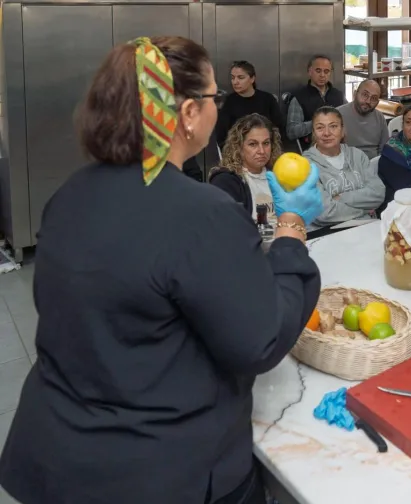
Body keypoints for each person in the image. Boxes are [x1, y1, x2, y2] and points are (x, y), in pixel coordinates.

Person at [0, 36, 323, 504]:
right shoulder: (201, 213)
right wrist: (292, 230)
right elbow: (261, 340)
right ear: (189, 114)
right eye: (214, 97)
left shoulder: (68, 196)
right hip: (161, 474)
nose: (218, 107)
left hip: (59, 457)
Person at [304, 106, 385, 230]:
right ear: (313, 133)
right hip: (327, 234)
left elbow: (378, 193)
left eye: (333, 126)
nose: (326, 133)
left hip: (366, 227)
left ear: (342, 131)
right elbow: (323, 213)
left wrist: (341, 197)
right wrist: (364, 210)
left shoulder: (358, 156)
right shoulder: (305, 165)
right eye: (320, 128)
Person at [210, 113, 283, 226]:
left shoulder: (278, 174)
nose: (262, 151)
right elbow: (229, 228)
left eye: (266, 143)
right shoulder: (226, 181)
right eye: (253, 144)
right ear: (238, 146)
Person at [215, 60, 285, 148]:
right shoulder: (229, 102)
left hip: (266, 150)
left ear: (252, 79)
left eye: (240, 77)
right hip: (238, 153)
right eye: (233, 78)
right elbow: (221, 136)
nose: (235, 82)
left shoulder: (267, 99)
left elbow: (279, 129)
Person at [287, 54, 346, 152]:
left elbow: (347, 120)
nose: (322, 75)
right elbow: (291, 131)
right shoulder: (299, 98)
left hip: (338, 148)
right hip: (312, 150)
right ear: (310, 72)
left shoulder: (338, 96)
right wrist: (318, 123)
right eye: (318, 71)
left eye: (326, 71)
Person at [337, 79, 389, 159]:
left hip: (373, 166)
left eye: (374, 98)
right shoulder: (337, 115)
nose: (368, 101)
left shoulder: (379, 118)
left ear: (377, 103)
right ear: (355, 94)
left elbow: (384, 150)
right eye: (365, 95)